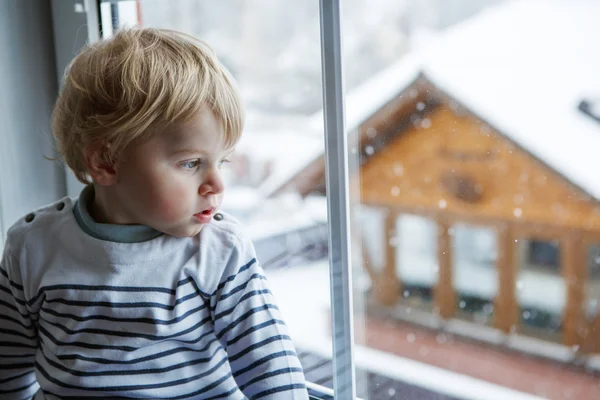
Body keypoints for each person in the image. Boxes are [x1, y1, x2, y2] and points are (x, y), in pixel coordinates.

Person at [0, 28, 308, 399]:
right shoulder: (33, 248)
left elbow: (270, 367)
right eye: (192, 163)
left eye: (221, 161)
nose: (217, 184)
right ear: (107, 161)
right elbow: (9, 363)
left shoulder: (219, 251)